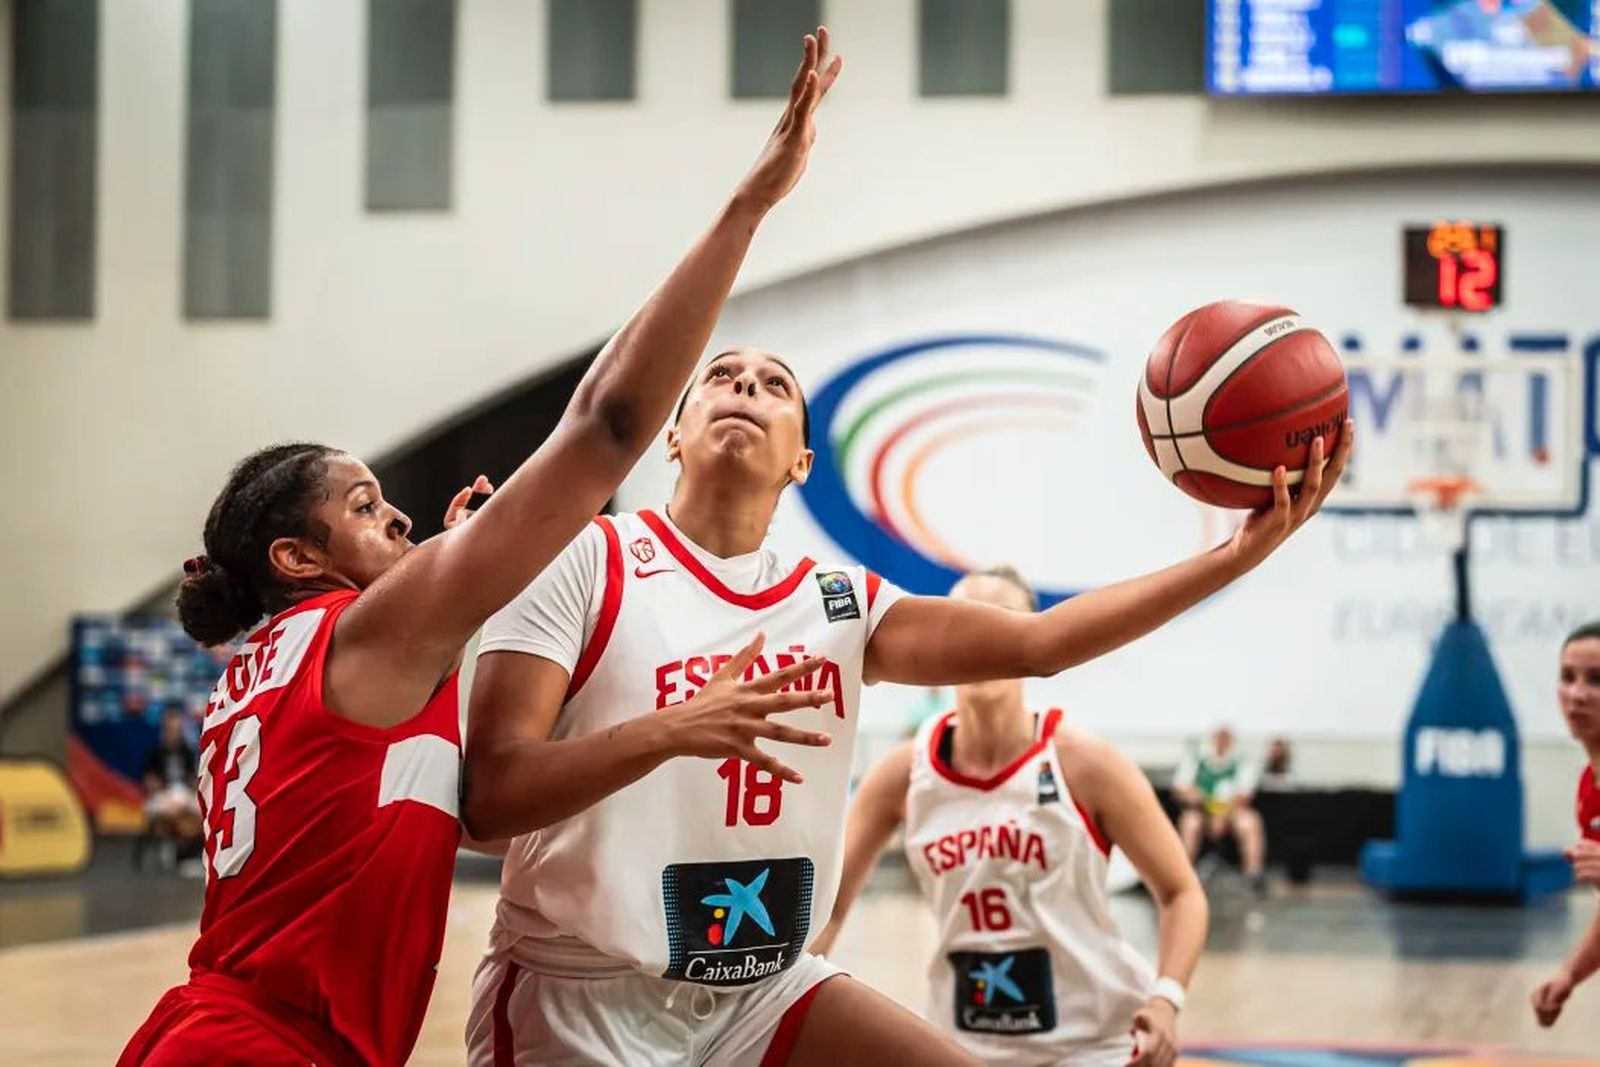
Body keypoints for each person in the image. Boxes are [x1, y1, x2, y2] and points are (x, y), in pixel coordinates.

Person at [463, 61, 1355, 1062]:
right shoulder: (586, 557)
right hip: (584, 990)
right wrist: (672, 729)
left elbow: (1041, 641)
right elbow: (489, 804)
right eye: (721, 376)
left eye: (772, 382)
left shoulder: (839, 601)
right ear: (672, 434)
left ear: (803, 457)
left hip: (760, 987)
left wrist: (1240, 553)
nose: (745, 385)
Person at [116, 33, 842, 1067]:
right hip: (263, 1045)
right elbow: (604, 423)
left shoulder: (278, 662)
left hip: (222, 1026)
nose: (400, 519)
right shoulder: (362, 633)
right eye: (367, 507)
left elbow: (424, 797)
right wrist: (749, 204)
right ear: (295, 558)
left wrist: (456, 567)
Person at [808, 566, 1208, 1066]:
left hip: (1098, 1044)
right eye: (966, 622)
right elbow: (830, 907)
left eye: (1000, 621)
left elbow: (1181, 892)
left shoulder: (1085, 762)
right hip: (963, 1045)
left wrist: (1167, 998)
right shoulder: (903, 773)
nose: (983, 640)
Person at [1531, 620, 1600, 1029]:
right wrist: (1569, 974)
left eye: (1596, 680)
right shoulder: (1587, 788)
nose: (1577, 695)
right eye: (1567, 677)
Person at [1173, 725, 1267, 896]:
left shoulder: (1241, 762)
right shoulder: (1198, 760)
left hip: (1231, 813)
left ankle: (1253, 875)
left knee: (1250, 821)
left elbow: (1243, 797)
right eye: (1219, 738)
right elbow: (1182, 789)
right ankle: (1183, 875)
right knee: (1190, 822)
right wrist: (1197, 799)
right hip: (1202, 812)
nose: (1222, 742)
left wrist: (1222, 815)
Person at [138, 707, 202, 872]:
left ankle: (189, 853)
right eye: (171, 729)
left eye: (177, 729)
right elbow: (149, 781)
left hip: (182, 794)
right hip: (162, 796)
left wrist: (191, 789)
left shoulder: (186, 751)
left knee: (203, 810)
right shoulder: (154, 751)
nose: (174, 733)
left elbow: (192, 779)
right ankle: (173, 849)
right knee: (169, 809)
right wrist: (163, 793)